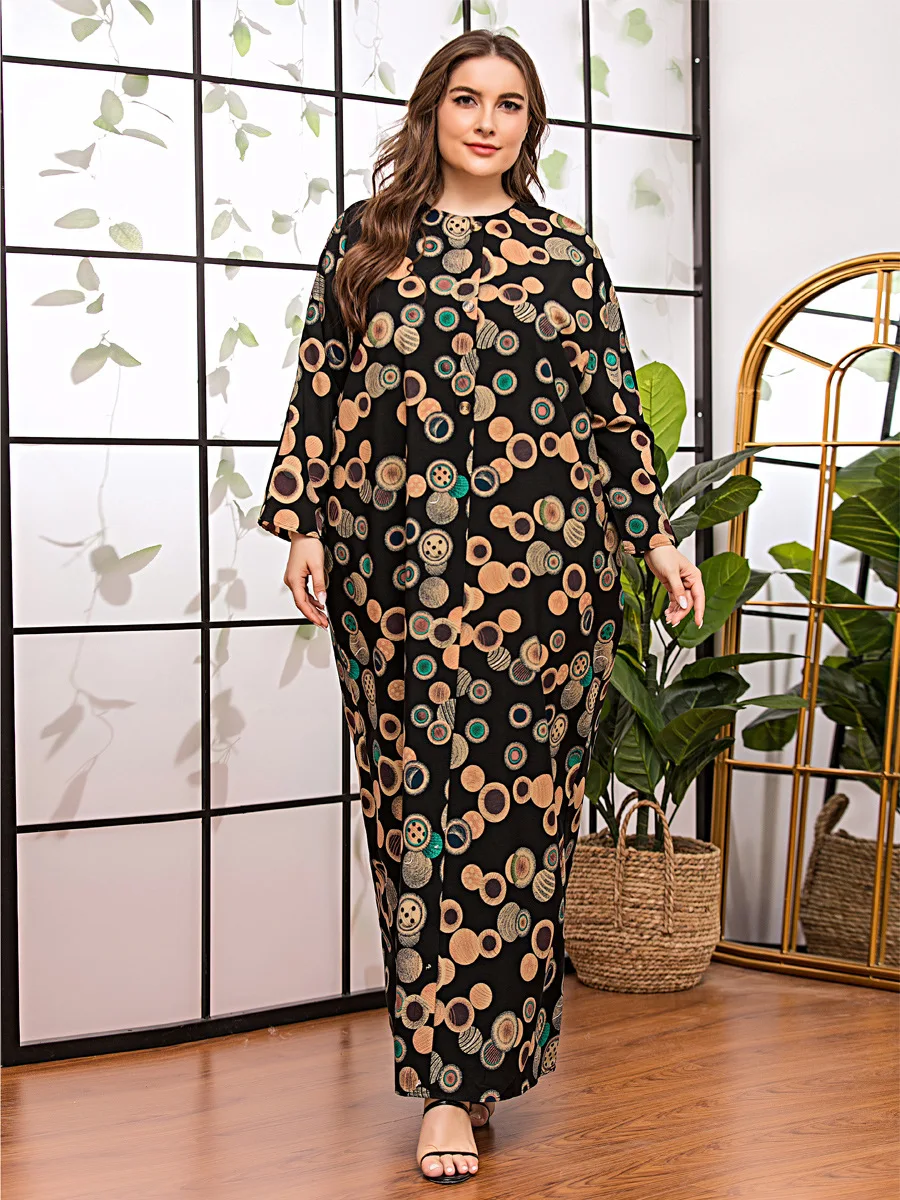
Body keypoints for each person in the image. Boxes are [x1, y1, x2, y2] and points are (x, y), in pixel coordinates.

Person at [257, 29, 704, 1186]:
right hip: (394, 584)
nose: (488, 122)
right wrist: (302, 523)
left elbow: (611, 414)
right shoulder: (367, 242)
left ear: (529, 124)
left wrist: (655, 538)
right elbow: (321, 388)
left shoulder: (566, 256)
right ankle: (442, 1084)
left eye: (510, 104)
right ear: (433, 111)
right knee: (417, 815)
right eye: (468, 99)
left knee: (521, 827)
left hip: (544, 588)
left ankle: (479, 1072)